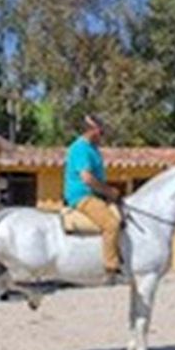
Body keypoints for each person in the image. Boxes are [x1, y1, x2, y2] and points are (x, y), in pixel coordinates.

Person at [64, 112, 123, 277]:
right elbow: (87, 178)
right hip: (82, 196)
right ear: (92, 130)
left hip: (95, 195)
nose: (103, 136)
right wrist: (109, 191)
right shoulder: (81, 148)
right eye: (101, 132)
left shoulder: (93, 149)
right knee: (111, 224)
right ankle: (111, 268)